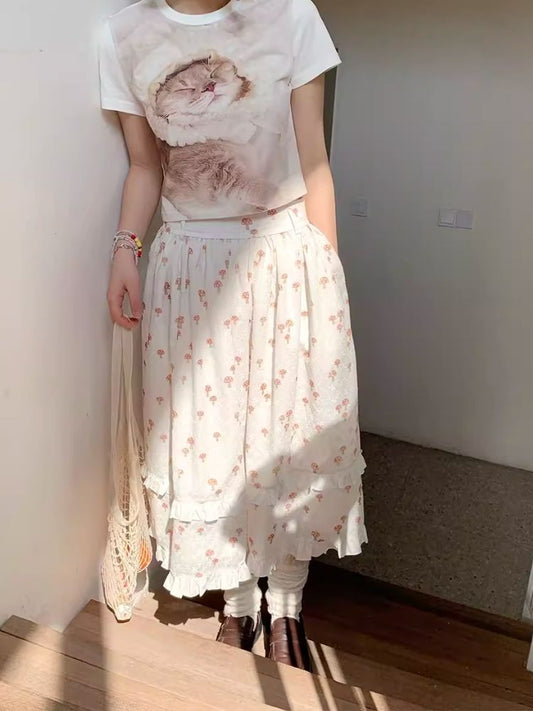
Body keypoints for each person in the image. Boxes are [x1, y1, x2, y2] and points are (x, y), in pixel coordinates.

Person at [99, 0, 367, 670]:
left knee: (286, 436)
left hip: (283, 255)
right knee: (211, 443)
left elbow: (314, 164)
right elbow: (145, 165)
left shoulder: (291, 17)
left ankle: (287, 608)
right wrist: (126, 248)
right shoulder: (124, 36)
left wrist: (327, 282)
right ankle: (239, 604)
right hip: (189, 267)